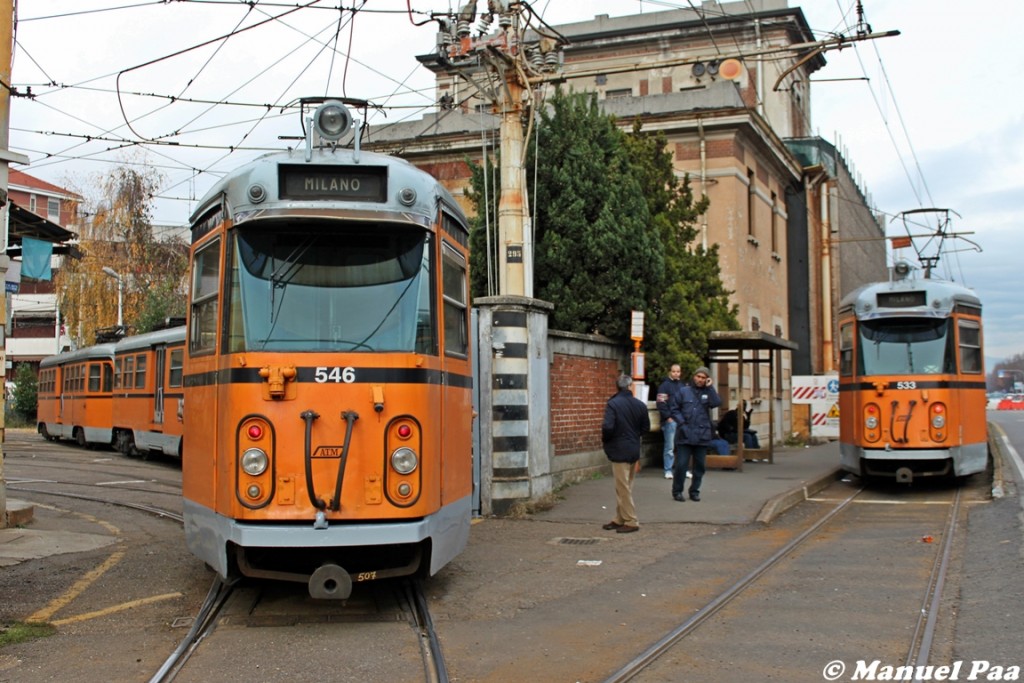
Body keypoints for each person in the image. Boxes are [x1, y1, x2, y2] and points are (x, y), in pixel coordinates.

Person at [601, 374, 650, 533]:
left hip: (618, 448)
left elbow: (608, 427)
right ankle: (620, 518)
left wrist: (607, 441)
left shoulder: (613, 404)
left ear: (617, 387)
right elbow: (645, 428)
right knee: (625, 486)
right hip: (633, 448)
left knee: (622, 487)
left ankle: (631, 520)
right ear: (630, 387)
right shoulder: (640, 405)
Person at [669, 366, 721, 502]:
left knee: (700, 466)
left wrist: (710, 387)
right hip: (685, 434)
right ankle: (677, 491)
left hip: (702, 435)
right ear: (694, 376)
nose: (700, 380)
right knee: (681, 465)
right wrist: (682, 424)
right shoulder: (683, 391)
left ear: (707, 379)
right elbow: (674, 409)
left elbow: (716, 403)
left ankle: (694, 491)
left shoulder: (708, 392)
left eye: (703, 378)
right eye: (698, 376)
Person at [655, 364, 684, 479]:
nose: (676, 373)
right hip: (670, 421)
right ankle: (668, 470)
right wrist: (668, 417)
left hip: (681, 420)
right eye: (674, 371)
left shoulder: (682, 386)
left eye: (678, 371)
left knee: (681, 446)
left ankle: (682, 469)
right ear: (669, 372)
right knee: (670, 447)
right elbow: (661, 403)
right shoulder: (664, 386)